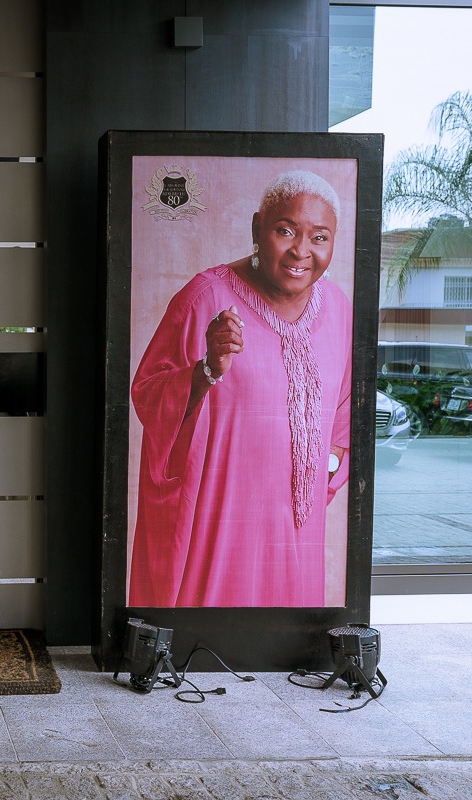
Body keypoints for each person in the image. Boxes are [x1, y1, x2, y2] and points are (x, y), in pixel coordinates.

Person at [128, 170, 352, 607]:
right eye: (284, 231)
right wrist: (206, 369)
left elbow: (344, 417)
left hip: (297, 529)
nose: (301, 252)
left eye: (319, 237)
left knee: (284, 660)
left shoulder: (340, 309)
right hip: (222, 522)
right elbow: (149, 394)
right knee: (211, 647)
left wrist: (313, 474)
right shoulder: (205, 298)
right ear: (256, 228)